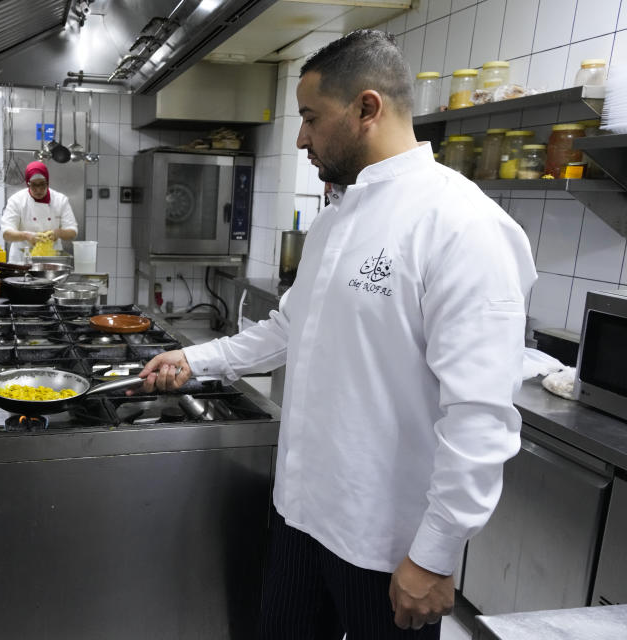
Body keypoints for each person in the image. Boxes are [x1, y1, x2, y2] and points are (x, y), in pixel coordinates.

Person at [137, 30, 536, 638]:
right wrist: (196, 357)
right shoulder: (336, 221)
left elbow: (480, 418)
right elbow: (289, 329)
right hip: (299, 517)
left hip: (386, 546)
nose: (300, 137)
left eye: (310, 118)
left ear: (367, 109)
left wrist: (434, 552)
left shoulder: (462, 225)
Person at [0, 161, 78, 263]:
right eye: (34, 185)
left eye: (42, 184)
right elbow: (6, 233)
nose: (38, 190)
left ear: (48, 182)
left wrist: (57, 233)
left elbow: (72, 232)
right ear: (28, 184)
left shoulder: (60, 200)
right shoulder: (16, 201)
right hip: (22, 259)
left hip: (52, 259)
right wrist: (27, 236)